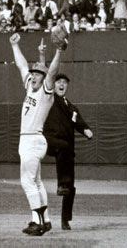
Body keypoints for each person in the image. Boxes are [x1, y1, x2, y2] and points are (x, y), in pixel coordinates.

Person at [9, 26, 68, 236]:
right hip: (30, 140)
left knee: (26, 181)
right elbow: (21, 65)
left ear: (43, 78)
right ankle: (47, 220)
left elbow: (51, 72)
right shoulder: (30, 87)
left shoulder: (45, 90)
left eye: (37, 74)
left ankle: (37, 221)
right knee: (36, 181)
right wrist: (15, 45)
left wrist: (59, 51)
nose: (33, 76)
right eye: (33, 74)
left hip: (33, 140)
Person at [43, 73, 93, 230]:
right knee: (63, 147)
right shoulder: (50, 99)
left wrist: (86, 130)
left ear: (67, 86)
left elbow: (80, 123)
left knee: (70, 186)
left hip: (66, 148)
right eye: (59, 81)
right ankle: (61, 184)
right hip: (50, 140)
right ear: (54, 84)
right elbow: (48, 82)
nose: (62, 84)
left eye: (64, 82)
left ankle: (65, 220)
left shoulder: (72, 108)